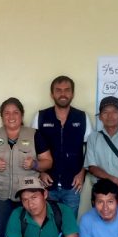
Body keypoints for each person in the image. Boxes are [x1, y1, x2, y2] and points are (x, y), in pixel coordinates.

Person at [0, 97, 53, 237]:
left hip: (27, 195)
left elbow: (48, 161)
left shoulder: (34, 135)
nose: (11, 116)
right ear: (1, 116)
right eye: (7, 113)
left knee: (27, 234)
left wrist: (35, 164)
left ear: (22, 115)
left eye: (15, 112)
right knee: (2, 233)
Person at [31, 75, 92, 215]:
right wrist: (40, 172)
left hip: (73, 185)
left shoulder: (82, 117)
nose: (63, 94)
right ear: (52, 94)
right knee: (48, 222)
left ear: (73, 93)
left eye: (67, 90)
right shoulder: (40, 116)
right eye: (58, 90)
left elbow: (91, 149)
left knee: (69, 224)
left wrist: (82, 173)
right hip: (47, 184)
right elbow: (31, 148)